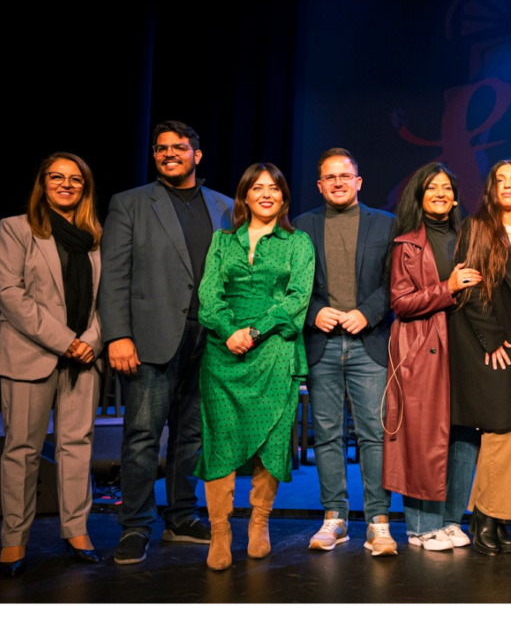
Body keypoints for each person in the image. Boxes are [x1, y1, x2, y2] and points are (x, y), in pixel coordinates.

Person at [99, 121, 234, 565]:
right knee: (141, 438)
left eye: (179, 147)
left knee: (191, 438)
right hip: (149, 339)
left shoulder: (225, 207)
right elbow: (114, 276)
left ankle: (180, 516)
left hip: (208, 341)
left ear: (198, 154)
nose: (169, 154)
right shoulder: (130, 204)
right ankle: (136, 525)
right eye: (161, 149)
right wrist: (118, 335)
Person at [0, 153, 105, 576]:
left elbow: (107, 298)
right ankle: (14, 540)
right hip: (28, 354)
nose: (66, 185)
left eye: (75, 180)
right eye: (57, 177)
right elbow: (9, 293)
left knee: (78, 447)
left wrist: (89, 341)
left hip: (84, 358)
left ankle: (77, 531)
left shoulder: (96, 236)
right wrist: (66, 341)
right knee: (22, 450)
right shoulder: (15, 229)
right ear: (43, 183)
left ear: (85, 188)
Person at [195, 164, 314, 570]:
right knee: (220, 441)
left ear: (283, 197)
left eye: (274, 188)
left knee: (271, 441)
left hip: (273, 352)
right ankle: (220, 530)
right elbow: (208, 294)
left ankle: (259, 522)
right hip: (223, 353)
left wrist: (256, 331)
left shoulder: (298, 242)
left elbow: (297, 297)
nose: (266, 194)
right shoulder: (222, 241)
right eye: (257, 188)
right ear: (244, 196)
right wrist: (230, 331)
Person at [293, 148, 398, 556]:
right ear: (320, 185)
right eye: (329, 177)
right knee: (327, 436)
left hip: (367, 343)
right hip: (321, 344)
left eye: (345, 175)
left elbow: (395, 281)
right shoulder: (302, 227)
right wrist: (315, 312)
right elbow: (293, 285)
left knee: (374, 434)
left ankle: (378, 521)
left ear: (358, 181)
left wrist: (367, 314)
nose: (338, 182)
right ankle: (334, 518)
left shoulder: (385, 224)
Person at [448, 159, 511, 556]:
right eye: (499, 180)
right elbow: (471, 285)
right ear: (491, 189)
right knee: (502, 430)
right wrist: (491, 340)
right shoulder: (479, 227)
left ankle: (489, 517)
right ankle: (487, 518)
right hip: (498, 342)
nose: (507, 186)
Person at [383, 163, 481, 551]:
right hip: (422, 352)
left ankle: (451, 521)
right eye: (432, 188)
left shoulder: (467, 239)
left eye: (446, 188)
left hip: (464, 350)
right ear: (420, 196)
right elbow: (401, 302)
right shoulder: (407, 243)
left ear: (456, 197)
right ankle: (422, 526)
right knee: (424, 440)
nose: (440, 193)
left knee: (463, 437)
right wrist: (448, 287)